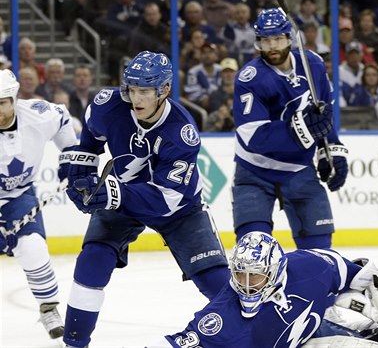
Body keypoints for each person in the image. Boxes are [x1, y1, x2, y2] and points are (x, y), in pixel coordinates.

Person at [61, 51, 230, 348]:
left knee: (217, 284)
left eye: (144, 91)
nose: (135, 98)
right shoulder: (108, 105)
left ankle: (255, 333)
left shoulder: (181, 131)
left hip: (180, 210)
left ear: (164, 90)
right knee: (91, 262)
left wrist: (112, 192)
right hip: (122, 200)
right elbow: (90, 139)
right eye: (131, 89)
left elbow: (166, 199)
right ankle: (74, 343)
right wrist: (81, 174)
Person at [149, 231, 378, 348]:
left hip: (309, 333)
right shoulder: (221, 318)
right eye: (241, 275)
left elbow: (359, 274)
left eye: (256, 277)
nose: (247, 286)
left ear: (275, 273)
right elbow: (178, 343)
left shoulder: (313, 266)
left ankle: (374, 333)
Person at [231, 8, 348, 249]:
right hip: (255, 172)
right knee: (253, 253)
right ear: (258, 42)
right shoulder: (250, 78)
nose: (272, 46)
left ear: (289, 38)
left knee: (320, 253)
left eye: (277, 39)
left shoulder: (313, 64)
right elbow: (252, 136)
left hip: (299, 169)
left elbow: (324, 115)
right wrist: (302, 128)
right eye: (265, 40)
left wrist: (331, 150)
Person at [0, 69, 76, 340]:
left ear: (13, 98)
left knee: (32, 246)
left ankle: (48, 309)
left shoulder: (38, 113)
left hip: (18, 195)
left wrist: (69, 155)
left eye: (1, 104)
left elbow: (63, 117)